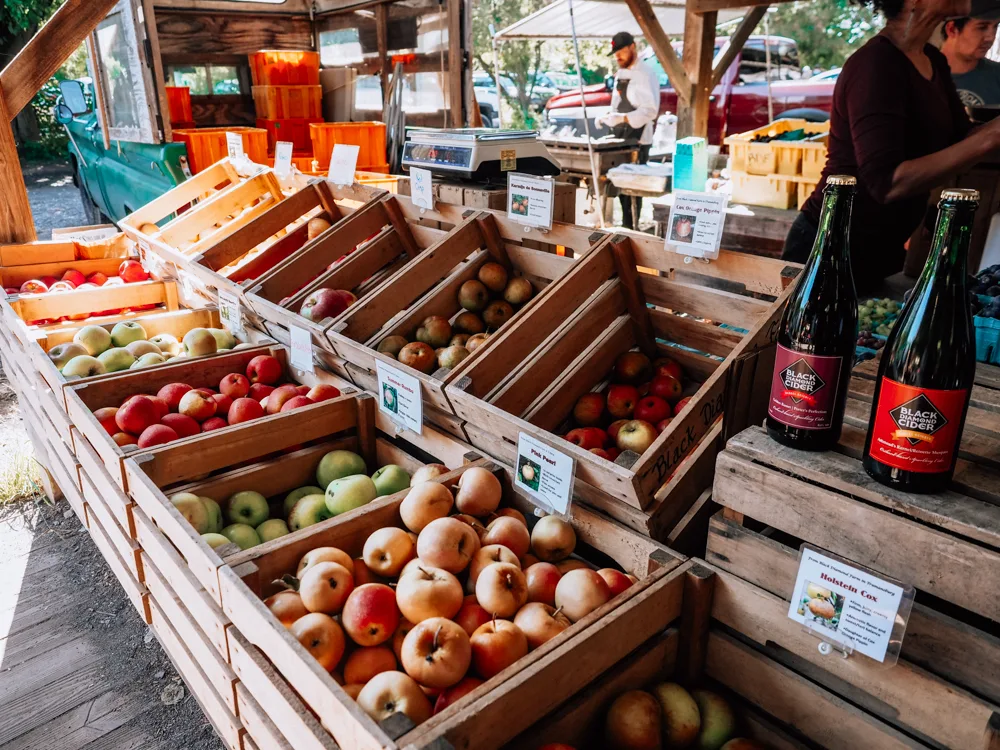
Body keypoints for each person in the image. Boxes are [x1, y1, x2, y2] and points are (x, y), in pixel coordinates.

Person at [782, 0, 1000, 294]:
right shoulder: (876, 64)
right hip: (828, 249)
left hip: (878, 250)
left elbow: (961, 142)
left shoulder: (932, 59)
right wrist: (991, 136)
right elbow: (885, 183)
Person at [596, 31, 660, 230]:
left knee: (630, 190)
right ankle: (618, 229)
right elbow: (618, 103)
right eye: (615, 53)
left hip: (638, 138)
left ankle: (630, 228)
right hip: (619, 136)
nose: (617, 57)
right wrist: (608, 115)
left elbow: (651, 111)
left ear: (633, 47)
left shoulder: (646, 73)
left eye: (621, 52)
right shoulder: (621, 73)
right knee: (616, 184)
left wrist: (624, 118)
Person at [940, 0, 1000, 106]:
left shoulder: (996, 76)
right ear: (952, 29)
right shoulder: (920, 74)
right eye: (982, 27)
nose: (990, 37)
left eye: (995, 27)